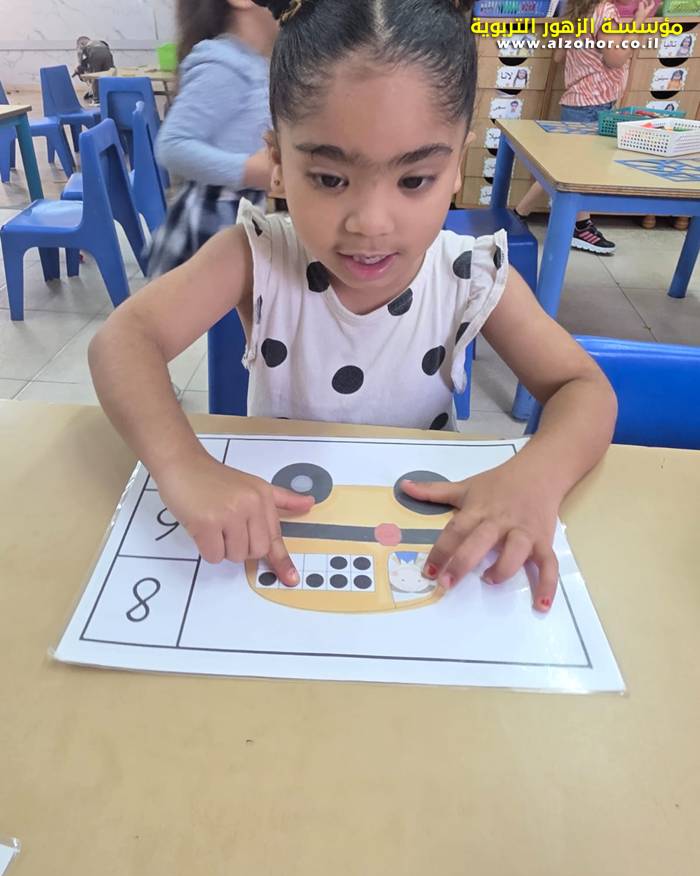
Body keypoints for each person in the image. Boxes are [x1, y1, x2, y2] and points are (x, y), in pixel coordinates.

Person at [88, 0, 617, 613]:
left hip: (421, 555)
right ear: (278, 163)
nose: (371, 223)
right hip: (280, 545)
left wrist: (536, 478)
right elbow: (122, 341)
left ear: (456, 168)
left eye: (414, 180)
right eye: (329, 178)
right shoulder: (255, 256)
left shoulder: (469, 273)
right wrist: (184, 467)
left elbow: (585, 389)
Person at [147, 0, 279, 277]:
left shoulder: (257, 63)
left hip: (239, 216)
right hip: (207, 224)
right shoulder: (224, 62)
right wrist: (247, 170)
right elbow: (171, 145)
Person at [515, 0, 658, 253]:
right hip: (594, 103)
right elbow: (615, 59)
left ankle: (563, 221)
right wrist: (637, 24)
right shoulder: (605, 12)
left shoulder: (574, 11)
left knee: (568, 167)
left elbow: (559, 56)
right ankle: (569, 225)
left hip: (577, 100)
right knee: (572, 170)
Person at [72, 36, 114, 102]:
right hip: (108, 54)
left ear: (81, 43)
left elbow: (80, 54)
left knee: (95, 76)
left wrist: (80, 66)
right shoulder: (99, 42)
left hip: (94, 54)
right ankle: (111, 95)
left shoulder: (83, 45)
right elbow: (106, 48)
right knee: (109, 75)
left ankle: (96, 99)